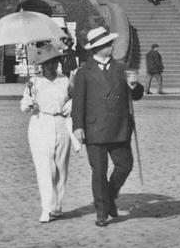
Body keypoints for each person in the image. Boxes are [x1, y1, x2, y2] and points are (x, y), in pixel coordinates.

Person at [70, 26, 144, 227]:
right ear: (98, 47)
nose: (112, 46)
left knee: (125, 165)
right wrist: (78, 127)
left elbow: (136, 95)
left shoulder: (121, 67)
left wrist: (134, 85)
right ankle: (101, 212)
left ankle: (110, 196)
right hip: (94, 130)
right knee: (99, 172)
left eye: (111, 43)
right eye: (108, 44)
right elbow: (78, 103)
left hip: (119, 128)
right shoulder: (84, 72)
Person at [19, 44, 75, 222]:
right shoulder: (33, 83)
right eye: (46, 63)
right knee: (44, 168)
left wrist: (69, 106)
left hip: (61, 123)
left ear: (58, 62)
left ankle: (57, 205)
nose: (49, 66)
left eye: (53, 62)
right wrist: (29, 103)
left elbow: (73, 100)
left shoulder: (65, 81)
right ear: (40, 65)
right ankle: (46, 207)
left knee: (60, 167)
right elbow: (24, 106)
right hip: (40, 123)